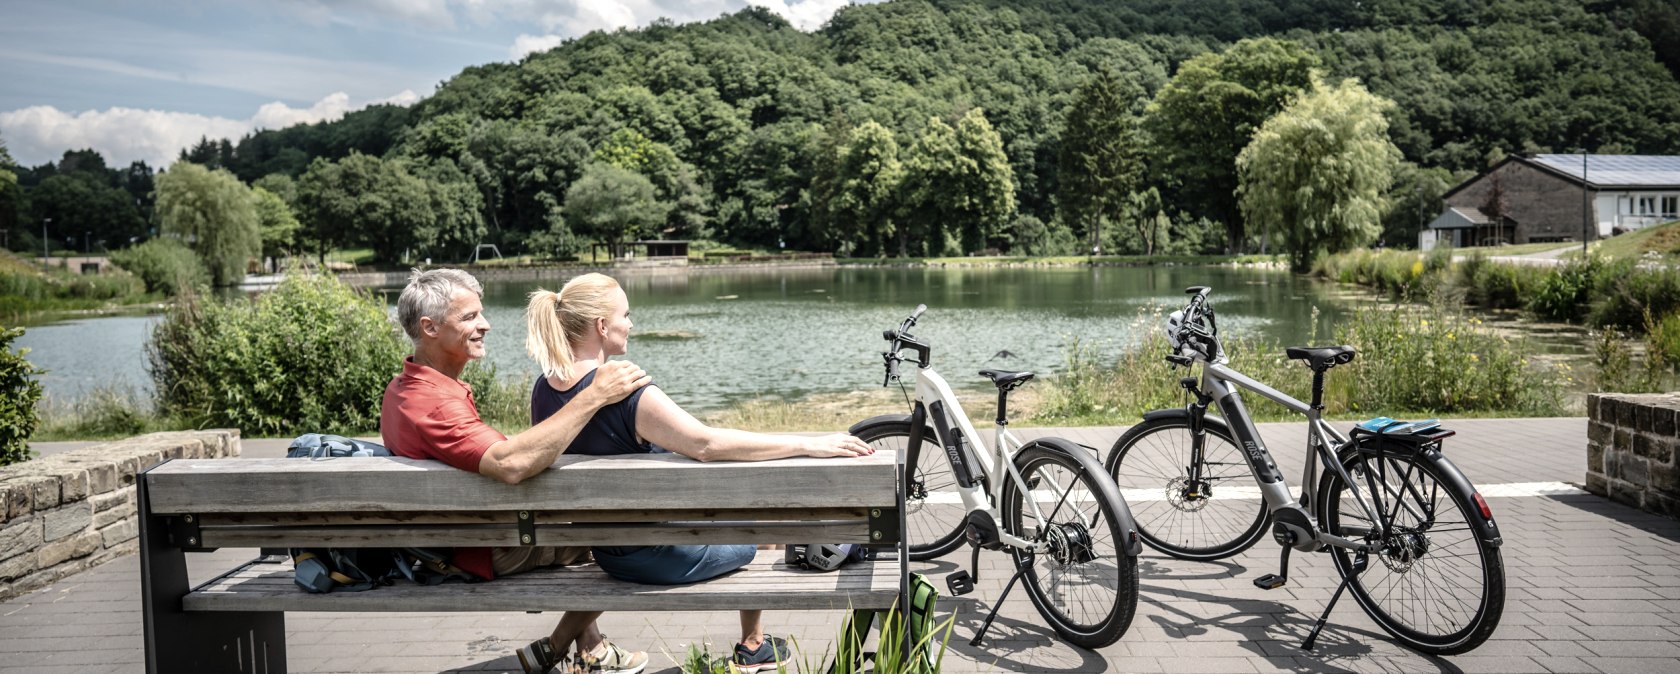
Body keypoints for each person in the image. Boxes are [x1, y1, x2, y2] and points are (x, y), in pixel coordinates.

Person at [524, 272, 874, 674]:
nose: (631, 323)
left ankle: (564, 646)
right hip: (658, 556)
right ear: (602, 326)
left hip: (605, 554)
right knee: (761, 530)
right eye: (626, 314)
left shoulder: (544, 389)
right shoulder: (630, 393)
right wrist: (805, 443)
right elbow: (707, 445)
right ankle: (753, 646)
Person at [379, 268, 653, 674]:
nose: (485, 325)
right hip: (485, 548)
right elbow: (511, 464)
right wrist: (594, 396)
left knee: (587, 526)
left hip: (454, 537)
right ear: (429, 327)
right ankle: (563, 646)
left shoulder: (403, 389)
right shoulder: (435, 405)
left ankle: (591, 651)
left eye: (481, 313)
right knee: (624, 539)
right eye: (470, 317)